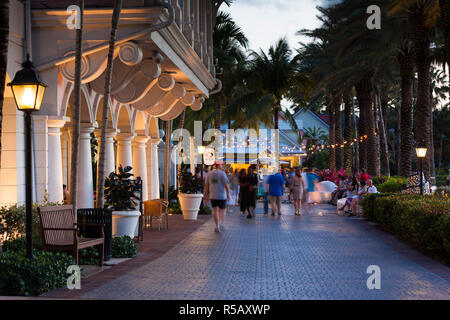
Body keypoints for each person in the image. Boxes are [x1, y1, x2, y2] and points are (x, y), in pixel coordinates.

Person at [204, 162, 231, 233]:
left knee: (214, 210)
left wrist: (205, 196)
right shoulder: (222, 174)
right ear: (219, 165)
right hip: (222, 195)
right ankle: (222, 224)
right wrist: (228, 194)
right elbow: (226, 185)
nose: (222, 166)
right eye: (221, 164)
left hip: (212, 195)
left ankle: (217, 225)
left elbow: (206, 186)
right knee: (222, 210)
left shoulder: (209, 174)